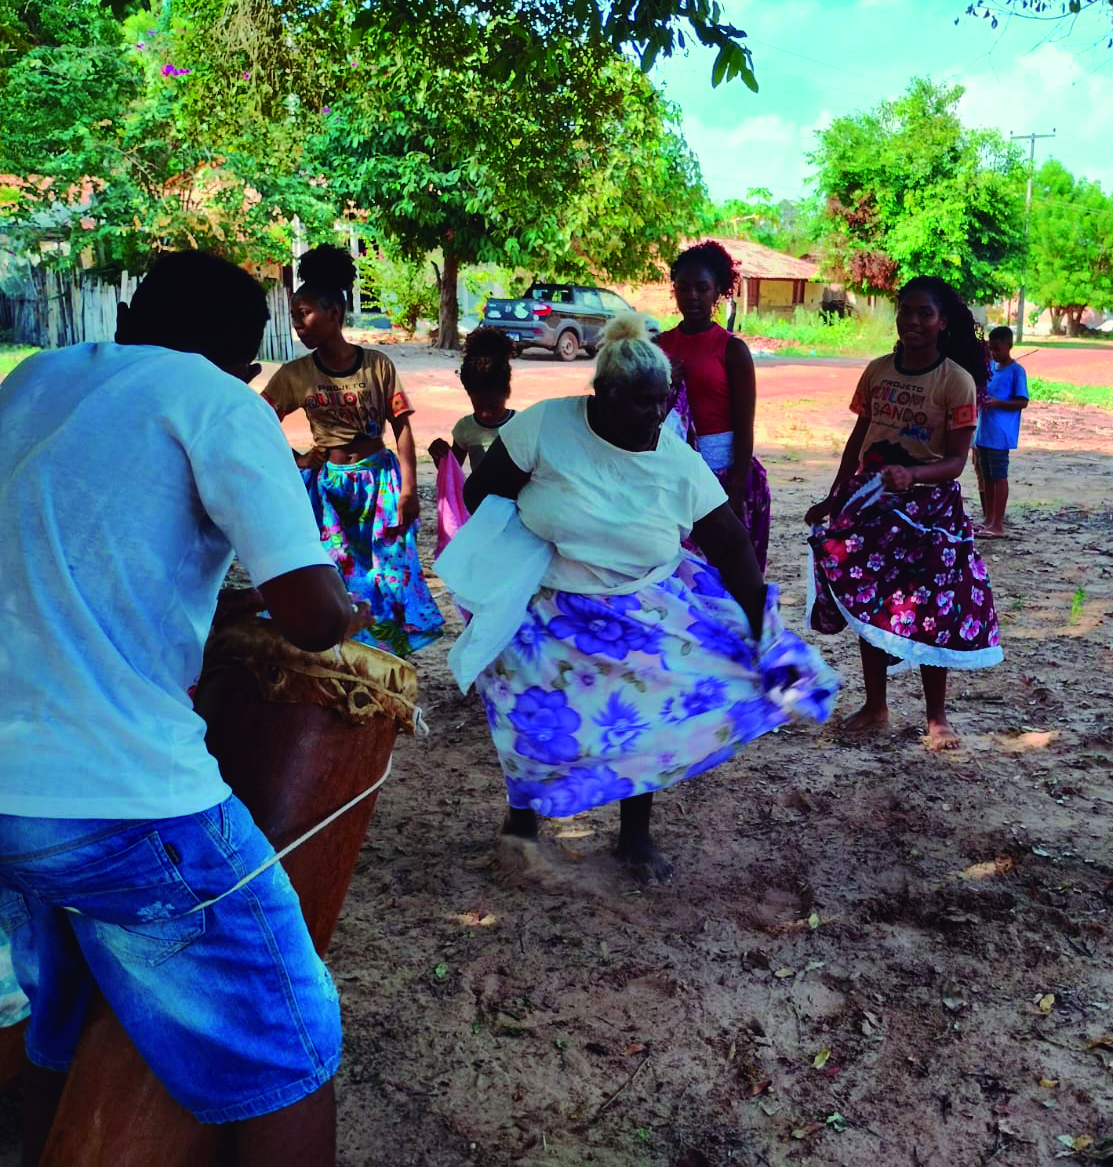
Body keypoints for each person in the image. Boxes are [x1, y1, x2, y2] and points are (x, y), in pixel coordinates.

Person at [0, 251, 368, 1165]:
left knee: (51, 1028)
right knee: (293, 1048)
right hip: (114, 799)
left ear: (126, 316)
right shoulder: (217, 402)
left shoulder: (33, 382)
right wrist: (353, 604)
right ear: (246, 363)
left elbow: (68, 560)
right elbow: (316, 620)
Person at [452, 314, 835, 882]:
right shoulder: (546, 427)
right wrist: (518, 554)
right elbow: (482, 491)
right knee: (531, 719)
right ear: (603, 393)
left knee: (644, 719)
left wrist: (764, 627)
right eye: (641, 403)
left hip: (637, 606)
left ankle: (634, 838)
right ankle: (521, 833)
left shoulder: (676, 461)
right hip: (547, 602)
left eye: (663, 402)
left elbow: (730, 544)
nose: (656, 415)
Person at [805, 275, 1003, 751]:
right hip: (871, 502)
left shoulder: (956, 382)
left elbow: (956, 461)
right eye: (905, 310)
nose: (913, 321)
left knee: (930, 609)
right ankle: (877, 707)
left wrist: (913, 476)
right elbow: (859, 437)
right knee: (872, 602)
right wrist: (835, 496)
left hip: (929, 514)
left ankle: (937, 717)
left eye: (924, 313)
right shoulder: (876, 371)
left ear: (942, 322)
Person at [263, 244, 444, 658]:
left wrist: (409, 490)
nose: (298, 325)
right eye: (293, 316)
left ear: (335, 313)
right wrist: (298, 459)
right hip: (329, 493)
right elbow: (255, 421)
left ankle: (388, 659)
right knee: (337, 575)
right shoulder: (295, 375)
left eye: (304, 313)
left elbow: (402, 429)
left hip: (380, 486)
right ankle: (346, 657)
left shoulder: (378, 365)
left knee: (390, 573)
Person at [657, 241, 771, 570]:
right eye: (684, 287)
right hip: (672, 474)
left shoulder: (732, 349)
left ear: (718, 292)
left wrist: (735, 490)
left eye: (702, 288)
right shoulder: (658, 346)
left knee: (722, 571)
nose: (692, 296)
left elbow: (743, 422)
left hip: (721, 472)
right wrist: (664, 378)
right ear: (674, 290)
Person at [429, 326, 518, 555]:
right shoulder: (466, 428)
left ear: (507, 392)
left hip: (516, 514)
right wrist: (440, 455)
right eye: (478, 407)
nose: (486, 414)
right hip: (480, 512)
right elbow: (452, 470)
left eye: (493, 406)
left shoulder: (520, 425)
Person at [973, 325, 1030, 538]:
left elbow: (1022, 402)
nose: (994, 353)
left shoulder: (1016, 371)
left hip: (1000, 433)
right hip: (984, 430)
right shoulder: (990, 368)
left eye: (997, 349)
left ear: (1009, 346)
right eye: (991, 349)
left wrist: (996, 402)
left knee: (999, 477)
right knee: (986, 476)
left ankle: (998, 524)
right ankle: (988, 519)